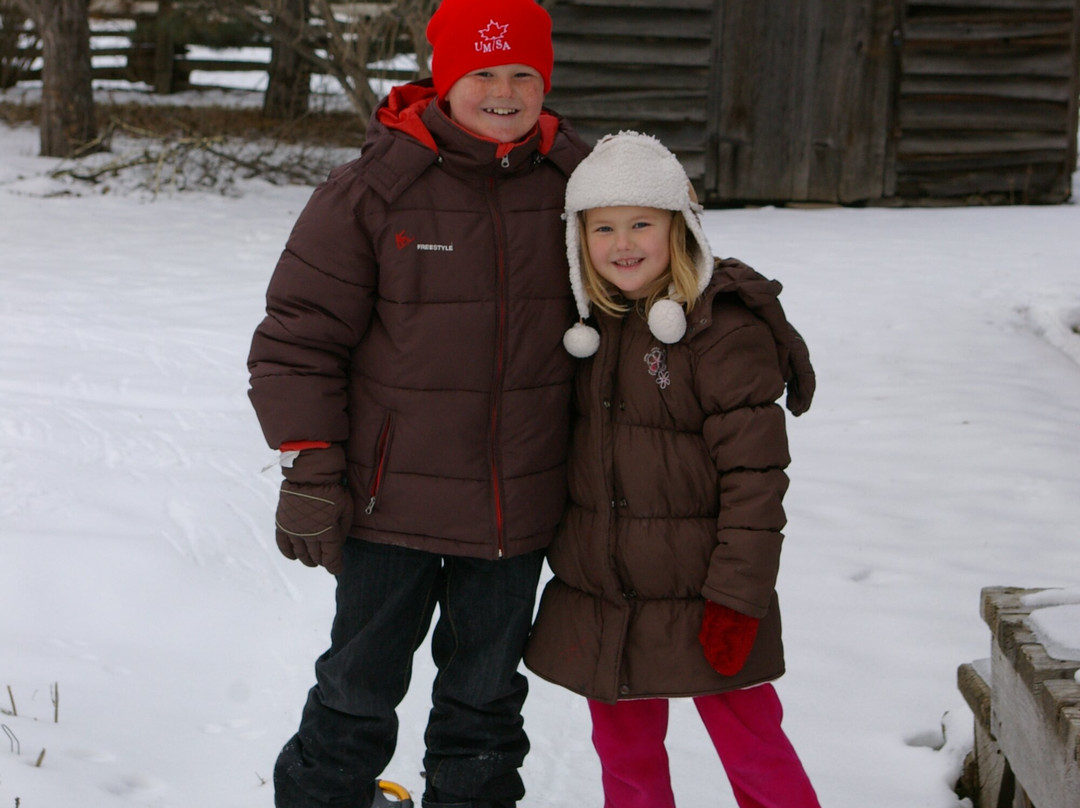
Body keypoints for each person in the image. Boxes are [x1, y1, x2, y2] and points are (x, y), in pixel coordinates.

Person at [245, 0, 590, 806]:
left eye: (523, 74)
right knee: (357, 689)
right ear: (444, 79)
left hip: (517, 505)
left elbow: (656, 265)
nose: (504, 92)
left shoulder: (579, 185)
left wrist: (738, 309)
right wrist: (309, 466)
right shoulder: (372, 191)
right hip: (388, 505)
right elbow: (299, 336)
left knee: (485, 699)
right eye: (483, 73)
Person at [523, 131, 821, 808]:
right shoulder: (587, 329)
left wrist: (737, 598)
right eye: (603, 228)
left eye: (641, 224)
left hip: (704, 592)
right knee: (626, 761)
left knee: (753, 748)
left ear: (677, 228)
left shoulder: (721, 330)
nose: (622, 244)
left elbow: (756, 481)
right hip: (607, 595)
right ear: (578, 239)